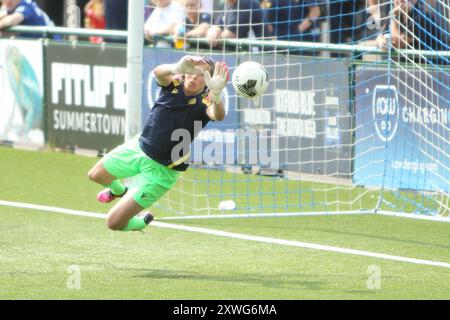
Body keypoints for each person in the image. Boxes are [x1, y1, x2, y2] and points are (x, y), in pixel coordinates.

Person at [87, 56, 229, 232]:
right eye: (193, 71)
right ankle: (119, 191)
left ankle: (142, 222)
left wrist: (216, 94)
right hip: (139, 148)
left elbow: (218, 115)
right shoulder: (173, 84)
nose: (194, 76)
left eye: (202, 74)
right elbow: (159, 73)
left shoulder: (206, 101)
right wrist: (176, 66)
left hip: (162, 171)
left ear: (208, 81)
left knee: (114, 223)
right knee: (95, 175)